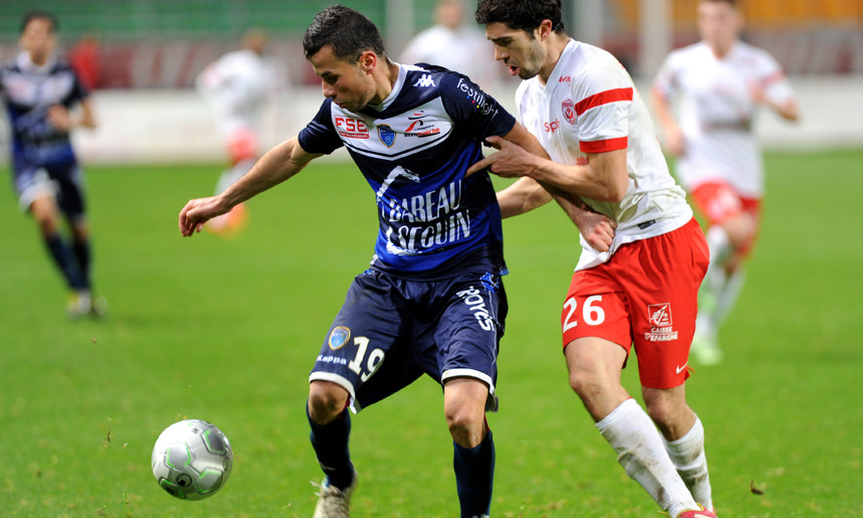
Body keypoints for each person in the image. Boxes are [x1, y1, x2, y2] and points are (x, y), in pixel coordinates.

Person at [178, 6, 604, 518]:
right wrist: (222, 201)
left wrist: (581, 216)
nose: (326, 91)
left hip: (466, 281)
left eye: (331, 77)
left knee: (463, 415)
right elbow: (292, 155)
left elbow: (535, 154)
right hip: (389, 282)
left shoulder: (448, 94)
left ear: (366, 61)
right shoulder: (340, 114)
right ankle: (338, 482)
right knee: (323, 398)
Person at [472, 1, 716, 517]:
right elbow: (542, 185)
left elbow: (608, 184)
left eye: (505, 43)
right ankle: (685, 509)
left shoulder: (594, 73)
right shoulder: (529, 93)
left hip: (660, 244)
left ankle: (705, 504)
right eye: (493, 44)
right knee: (587, 376)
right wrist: (465, 212)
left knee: (665, 407)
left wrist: (530, 162)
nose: (498, 56)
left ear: (543, 29)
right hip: (602, 251)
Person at [651, 0, 799, 365]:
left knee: (734, 261)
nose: (712, 25)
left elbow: (793, 110)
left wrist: (766, 99)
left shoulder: (757, 64)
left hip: (746, 172)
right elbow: (659, 94)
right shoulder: (684, 61)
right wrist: (671, 129)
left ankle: (705, 330)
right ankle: (687, 294)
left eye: (719, 18)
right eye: (705, 18)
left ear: (737, 21)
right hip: (702, 165)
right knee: (734, 228)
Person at [0, 9, 105, 319]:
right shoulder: (5, 74)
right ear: (22, 39)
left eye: (44, 34)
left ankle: (86, 292)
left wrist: (71, 121)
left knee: (79, 230)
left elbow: (93, 120)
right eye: (32, 34)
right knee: (46, 215)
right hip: (28, 162)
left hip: (64, 162)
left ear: (53, 40)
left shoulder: (67, 74)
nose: (38, 40)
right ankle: (78, 289)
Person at [195, 27, 289, 236]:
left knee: (245, 165)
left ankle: (226, 206)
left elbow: (275, 94)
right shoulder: (235, 62)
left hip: (251, 123)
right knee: (245, 162)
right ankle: (221, 209)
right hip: (232, 122)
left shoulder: (266, 68)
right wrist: (222, 102)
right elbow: (207, 80)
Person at [401, 0, 501, 93]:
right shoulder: (424, 42)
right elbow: (409, 70)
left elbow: (489, 73)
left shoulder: (477, 41)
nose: (451, 14)